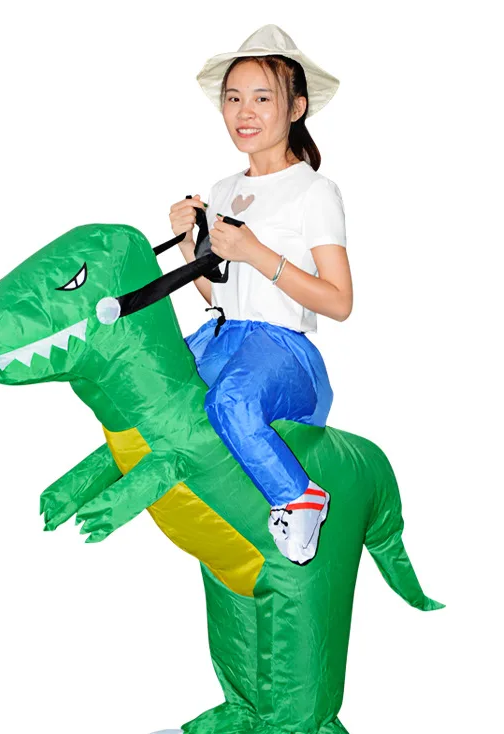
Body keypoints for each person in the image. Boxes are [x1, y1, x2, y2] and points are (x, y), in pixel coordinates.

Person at [169, 25, 352, 566]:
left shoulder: (314, 191)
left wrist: (255, 252)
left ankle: (300, 498)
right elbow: (223, 294)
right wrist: (188, 245)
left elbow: (338, 301)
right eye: (233, 99)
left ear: (296, 107)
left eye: (262, 98)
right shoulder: (225, 189)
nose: (244, 112)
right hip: (226, 337)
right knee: (162, 381)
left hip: (283, 351)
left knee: (231, 402)